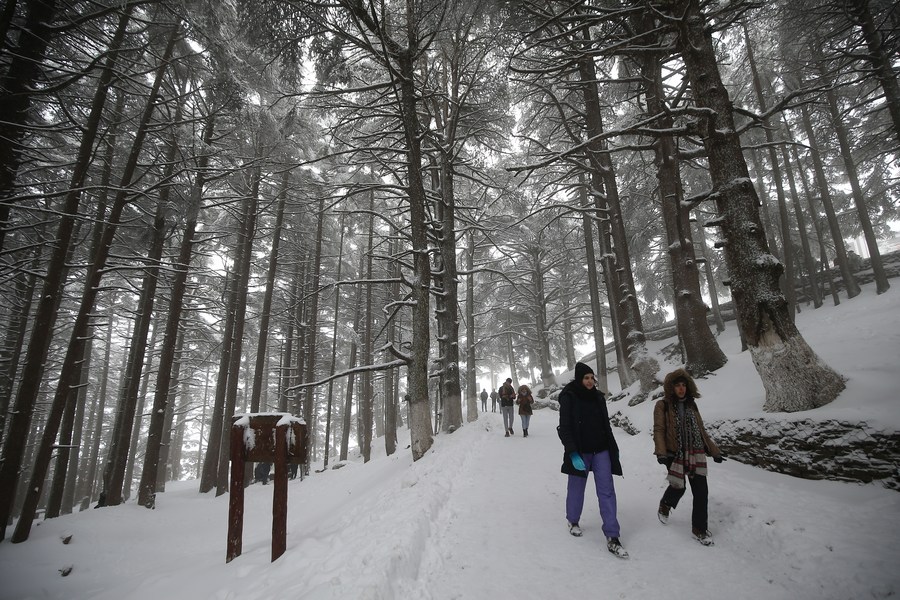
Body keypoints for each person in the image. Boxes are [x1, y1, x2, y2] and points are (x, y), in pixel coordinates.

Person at [557, 362, 627, 558]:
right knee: (576, 489)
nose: (589, 381)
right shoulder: (569, 397)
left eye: (591, 378)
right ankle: (573, 520)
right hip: (580, 452)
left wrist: (614, 448)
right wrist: (572, 453)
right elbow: (565, 428)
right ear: (580, 379)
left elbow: (606, 425)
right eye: (586, 378)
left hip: (601, 450)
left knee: (607, 491)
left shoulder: (598, 397)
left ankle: (613, 535)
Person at [653, 368, 724, 546]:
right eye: (677, 386)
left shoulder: (692, 405)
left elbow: (701, 430)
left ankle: (699, 529)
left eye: (684, 385)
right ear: (671, 388)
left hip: (695, 452)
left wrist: (714, 451)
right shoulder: (663, 405)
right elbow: (659, 429)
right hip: (673, 453)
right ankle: (665, 504)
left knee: (701, 491)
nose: (681, 389)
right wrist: (661, 452)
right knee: (679, 487)